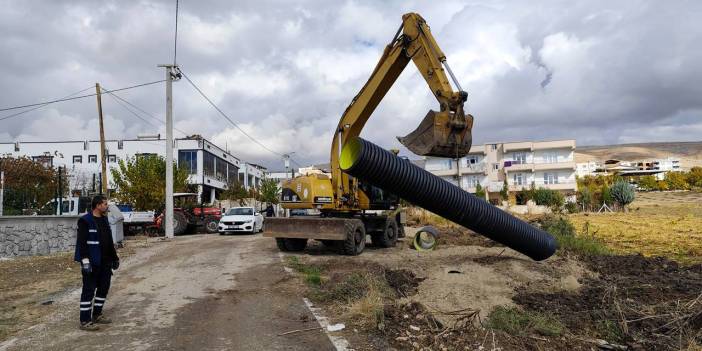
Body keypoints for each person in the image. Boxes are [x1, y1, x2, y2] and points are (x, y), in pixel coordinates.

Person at [74, 195, 120, 331]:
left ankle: (97, 314)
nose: (107, 206)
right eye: (105, 204)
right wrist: (85, 261)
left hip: (105, 262)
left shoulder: (104, 220)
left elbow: (108, 241)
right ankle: (85, 320)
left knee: (103, 288)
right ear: (98, 205)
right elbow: (82, 244)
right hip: (92, 263)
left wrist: (115, 258)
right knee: (88, 291)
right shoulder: (85, 221)